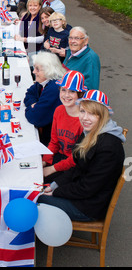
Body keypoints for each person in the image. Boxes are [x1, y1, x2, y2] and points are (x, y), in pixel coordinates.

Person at [38, 90, 125, 221]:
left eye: (92, 114)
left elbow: (87, 188)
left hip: (88, 207)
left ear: (102, 116)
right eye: (82, 111)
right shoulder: (90, 131)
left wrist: (56, 192)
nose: (84, 118)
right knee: (36, 188)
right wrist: (55, 184)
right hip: (82, 193)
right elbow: (76, 167)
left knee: (34, 198)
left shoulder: (109, 148)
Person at [42, 71, 87, 182]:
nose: (66, 95)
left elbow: (76, 158)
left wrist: (52, 168)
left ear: (80, 94)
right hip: (60, 157)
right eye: (63, 90)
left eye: (72, 91)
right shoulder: (59, 110)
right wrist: (44, 162)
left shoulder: (84, 120)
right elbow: (54, 142)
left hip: (73, 167)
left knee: (40, 183)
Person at [24, 52, 64, 145]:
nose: (34, 72)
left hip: (53, 140)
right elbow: (29, 94)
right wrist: (34, 105)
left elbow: (35, 118)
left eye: (37, 69)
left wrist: (32, 107)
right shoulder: (44, 81)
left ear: (49, 70)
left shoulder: (54, 88)